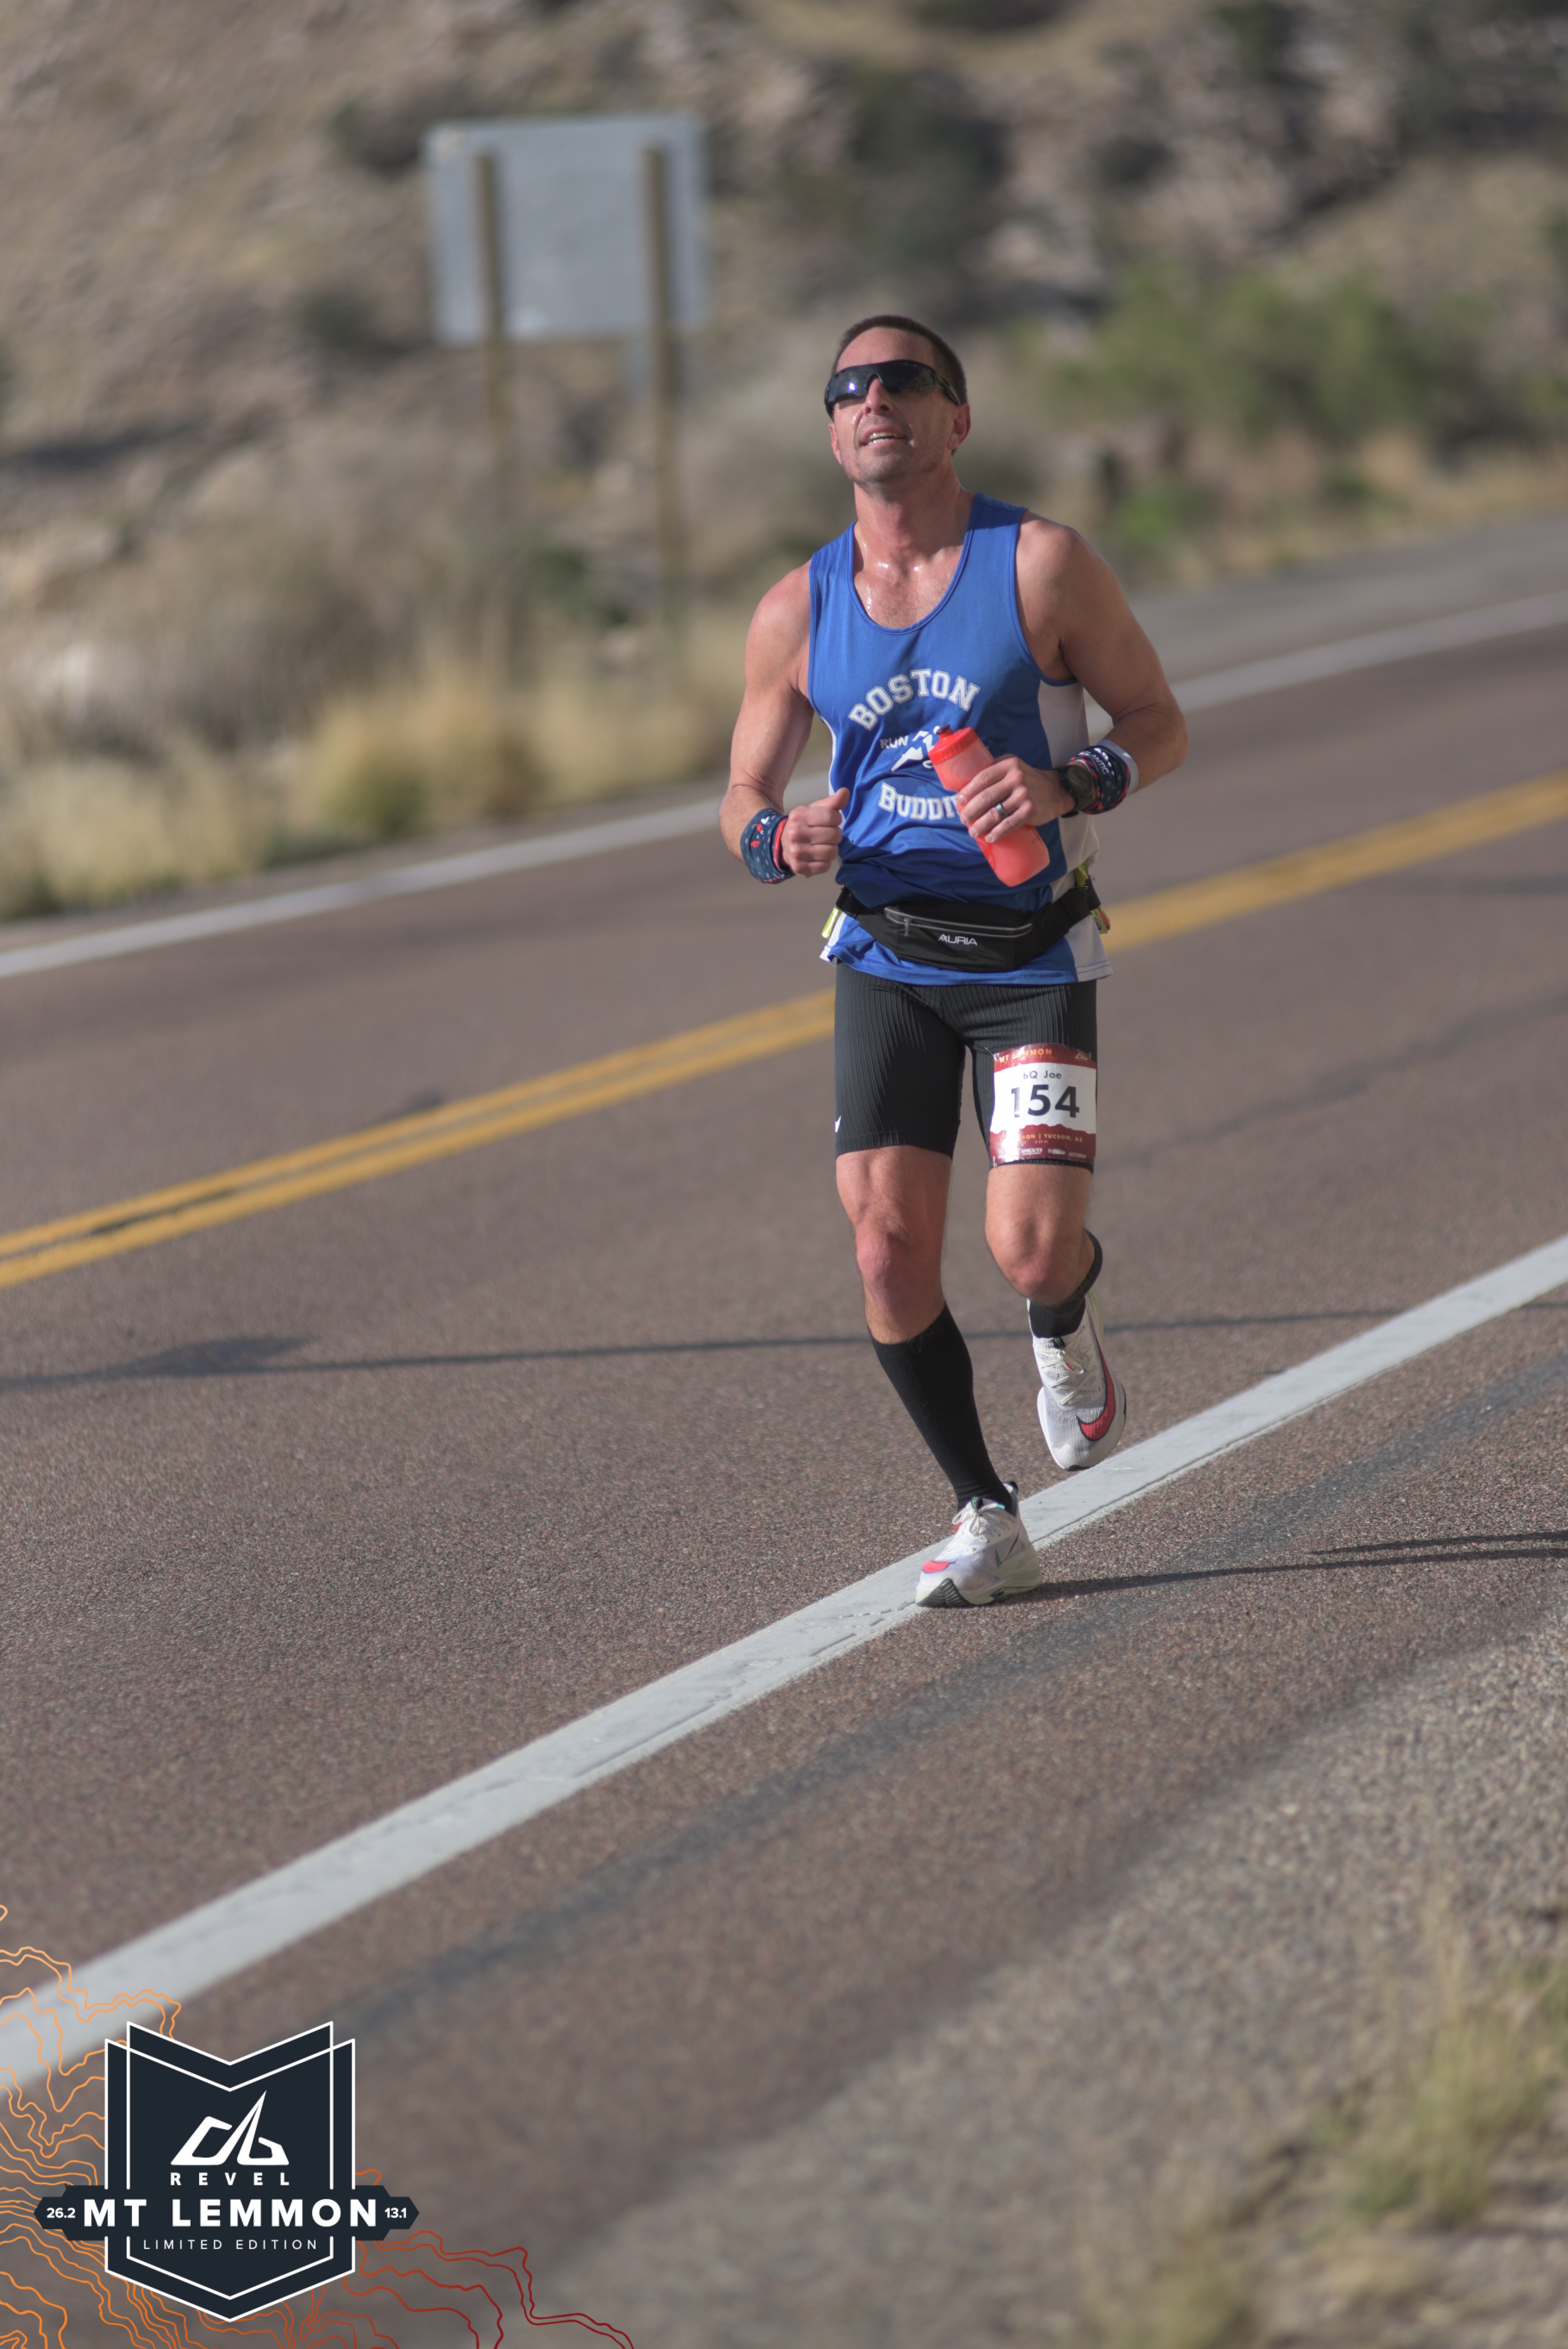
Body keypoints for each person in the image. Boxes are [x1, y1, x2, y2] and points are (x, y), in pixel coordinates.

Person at [721, 314, 1187, 1608]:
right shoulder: (797, 608)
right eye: (848, 389)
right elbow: (742, 796)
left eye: (904, 382)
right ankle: (988, 1512)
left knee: (1029, 1251)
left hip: (1033, 955)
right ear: (833, 431)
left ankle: (1064, 1317)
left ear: (956, 416)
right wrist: (776, 838)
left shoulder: (1038, 565)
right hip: (886, 954)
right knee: (884, 1252)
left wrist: (1069, 781)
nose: (874, 401)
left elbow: (1159, 721)